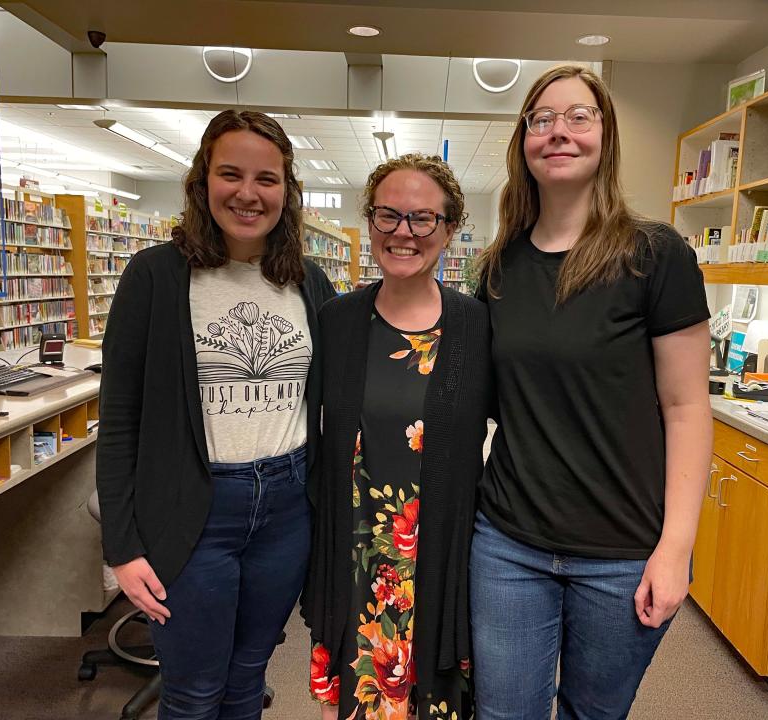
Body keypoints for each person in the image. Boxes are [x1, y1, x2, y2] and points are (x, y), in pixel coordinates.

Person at [471, 64, 713, 719]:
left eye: (579, 116)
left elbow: (688, 409)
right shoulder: (498, 267)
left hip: (622, 553)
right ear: (525, 140)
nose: (559, 132)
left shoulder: (654, 255)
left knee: (593, 714)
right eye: (541, 119)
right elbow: (477, 401)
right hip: (508, 545)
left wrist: (676, 550)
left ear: (605, 135)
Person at [96, 109, 335, 720]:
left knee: (247, 680)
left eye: (267, 179)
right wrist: (122, 547)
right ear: (203, 182)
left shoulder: (308, 280)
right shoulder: (154, 276)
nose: (248, 194)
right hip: (194, 512)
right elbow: (120, 420)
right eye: (231, 174)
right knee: (195, 691)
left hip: (286, 508)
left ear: (287, 190)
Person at [303, 154, 492, 720]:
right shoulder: (336, 322)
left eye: (422, 218)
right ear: (369, 223)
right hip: (357, 564)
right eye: (387, 215)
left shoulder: (477, 328)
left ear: (449, 229)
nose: (402, 232)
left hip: (441, 562)